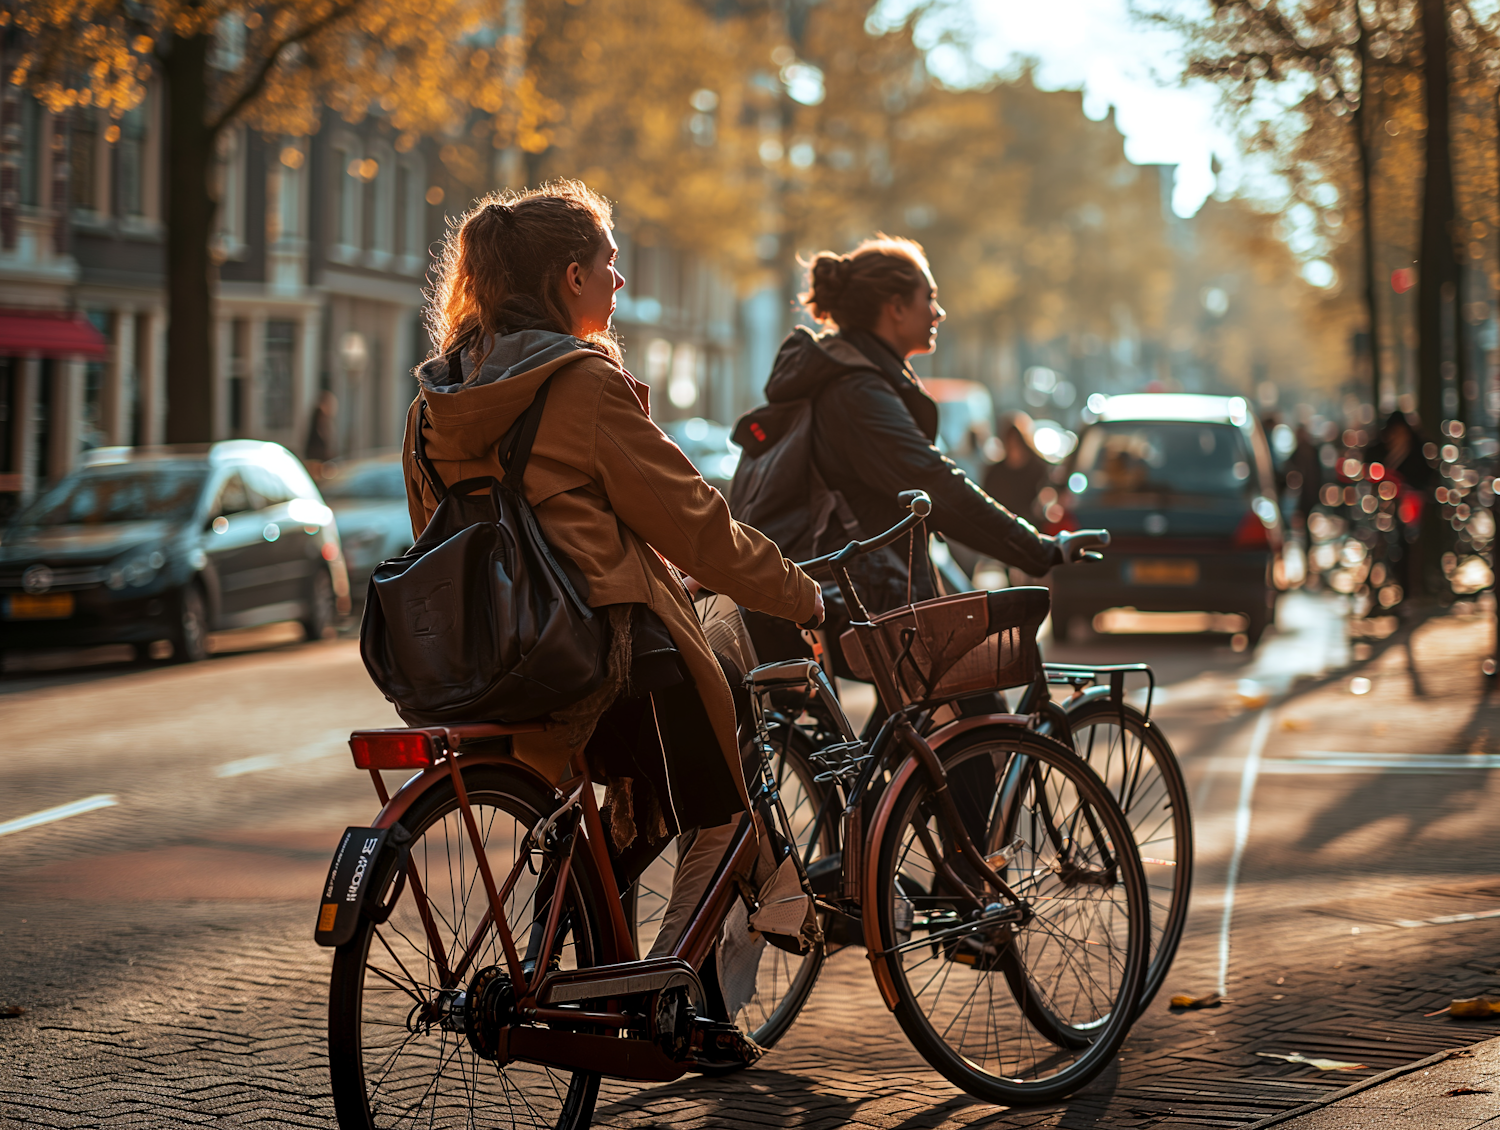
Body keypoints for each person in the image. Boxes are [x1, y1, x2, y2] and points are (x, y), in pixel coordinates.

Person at [402, 181, 822, 1052]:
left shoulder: (437, 397)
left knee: (628, 811)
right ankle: (658, 997)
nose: (621, 282)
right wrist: (804, 594)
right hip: (608, 657)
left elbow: (443, 535)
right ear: (569, 278)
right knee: (724, 805)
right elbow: (700, 528)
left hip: (498, 662)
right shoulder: (582, 384)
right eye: (610, 263)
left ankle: (644, 985)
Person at [743, 235, 1060, 662]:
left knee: (928, 715)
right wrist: (1037, 548)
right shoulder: (858, 391)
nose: (939, 312)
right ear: (895, 308)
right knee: (973, 689)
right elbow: (937, 484)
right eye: (928, 298)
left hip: (838, 582)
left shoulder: (851, 375)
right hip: (853, 590)